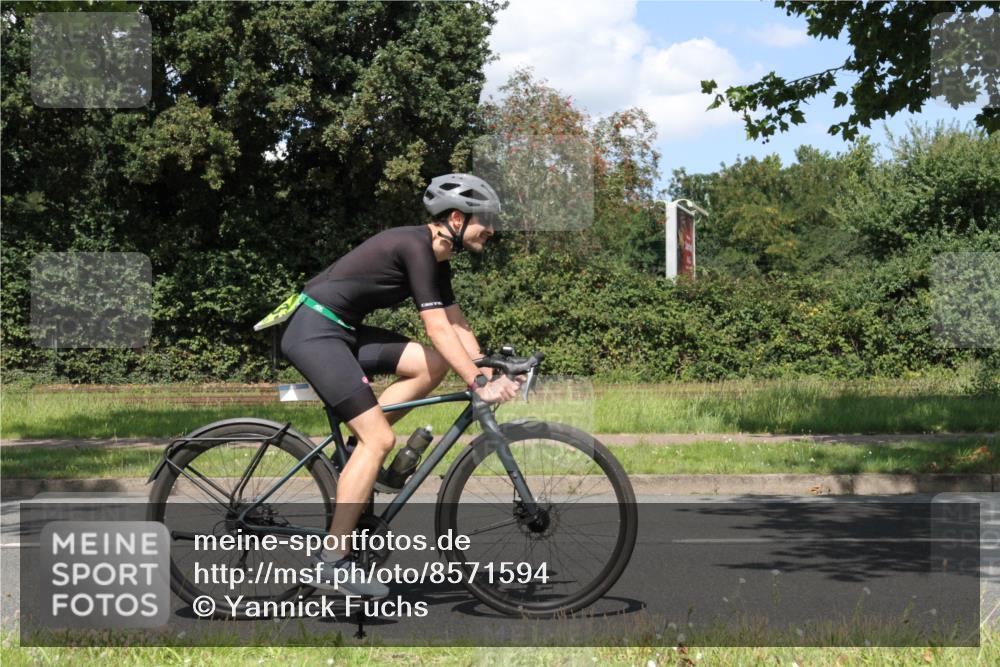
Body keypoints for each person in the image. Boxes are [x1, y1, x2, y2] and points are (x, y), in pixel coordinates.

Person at [280, 173, 523, 597]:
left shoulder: (437, 259)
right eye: (486, 219)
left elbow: (456, 325)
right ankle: (331, 560)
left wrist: (488, 366)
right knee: (380, 440)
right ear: (455, 217)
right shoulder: (415, 246)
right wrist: (479, 381)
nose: (493, 229)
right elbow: (437, 329)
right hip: (315, 331)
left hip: (343, 331)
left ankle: (359, 456)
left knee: (431, 366)